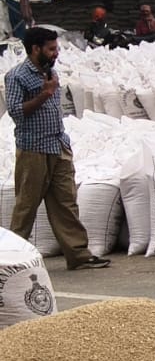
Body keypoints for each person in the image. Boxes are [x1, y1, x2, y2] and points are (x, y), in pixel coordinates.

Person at [5, 27, 110, 270]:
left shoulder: (49, 72)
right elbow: (17, 113)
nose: (56, 53)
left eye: (56, 48)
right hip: (33, 149)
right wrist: (45, 94)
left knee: (66, 203)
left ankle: (78, 255)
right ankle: (10, 260)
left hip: (58, 145)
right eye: (51, 49)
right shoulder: (17, 76)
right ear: (35, 49)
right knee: (26, 205)